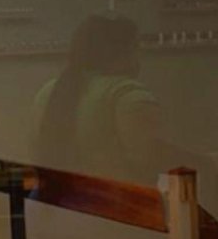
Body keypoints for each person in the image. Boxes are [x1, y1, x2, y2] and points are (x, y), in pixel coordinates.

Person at [32, 13, 195, 184]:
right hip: (118, 197)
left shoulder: (48, 92)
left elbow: (36, 150)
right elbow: (151, 161)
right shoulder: (128, 95)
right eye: (136, 47)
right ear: (125, 51)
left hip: (60, 195)